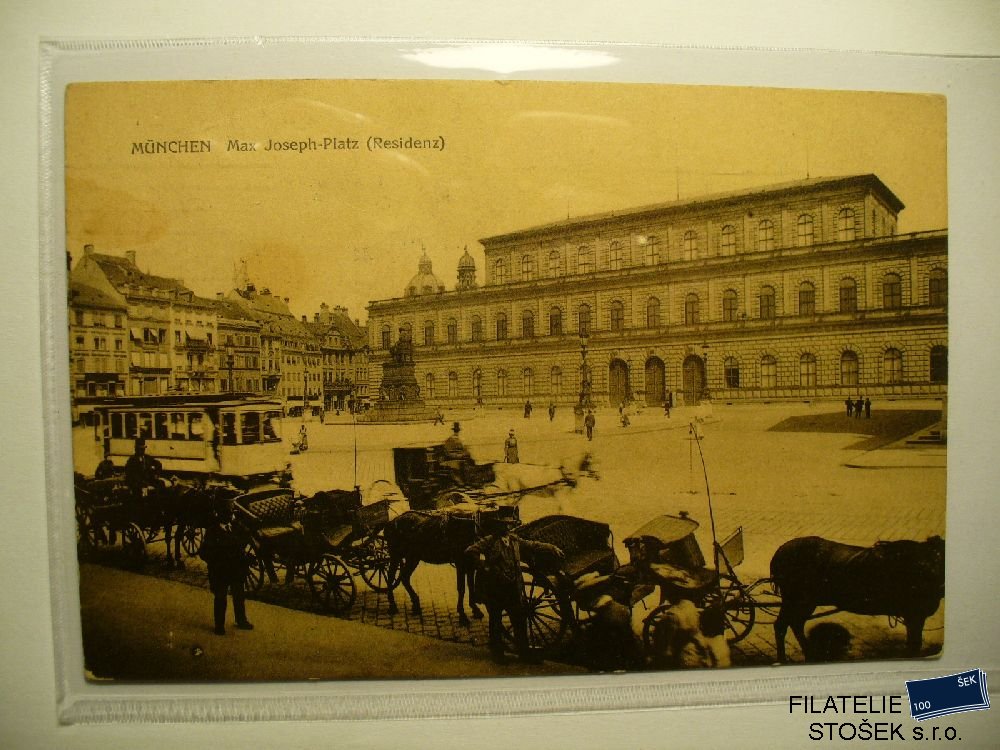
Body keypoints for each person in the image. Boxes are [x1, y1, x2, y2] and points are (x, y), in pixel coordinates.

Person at [465, 510, 564, 663]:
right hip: (496, 589)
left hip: (512, 588)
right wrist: (484, 566)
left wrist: (551, 548)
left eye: (509, 525)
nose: (507, 528)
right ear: (498, 527)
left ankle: (524, 654)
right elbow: (471, 551)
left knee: (519, 621)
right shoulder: (490, 541)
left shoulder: (514, 540)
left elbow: (533, 545)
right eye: (504, 525)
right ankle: (498, 655)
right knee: (496, 622)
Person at [199, 498, 254, 636]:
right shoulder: (212, 531)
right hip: (220, 570)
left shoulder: (235, 526)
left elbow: (247, 535)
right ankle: (219, 625)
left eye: (231, 513)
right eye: (228, 514)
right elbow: (204, 552)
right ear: (220, 515)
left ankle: (241, 620)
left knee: (239, 595)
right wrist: (216, 560)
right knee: (220, 597)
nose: (231, 516)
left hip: (236, 569)